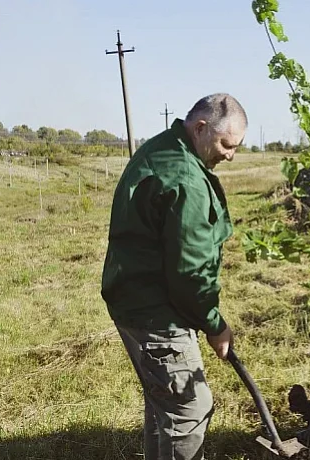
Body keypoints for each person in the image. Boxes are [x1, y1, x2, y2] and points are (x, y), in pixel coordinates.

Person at [101, 93, 247, 460]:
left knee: (162, 403)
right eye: (226, 144)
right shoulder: (186, 179)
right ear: (201, 128)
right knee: (190, 410)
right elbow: (191, 273)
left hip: (131, 298)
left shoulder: (162, 147)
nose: (230, 155)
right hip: (155, 311)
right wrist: (215, 325)